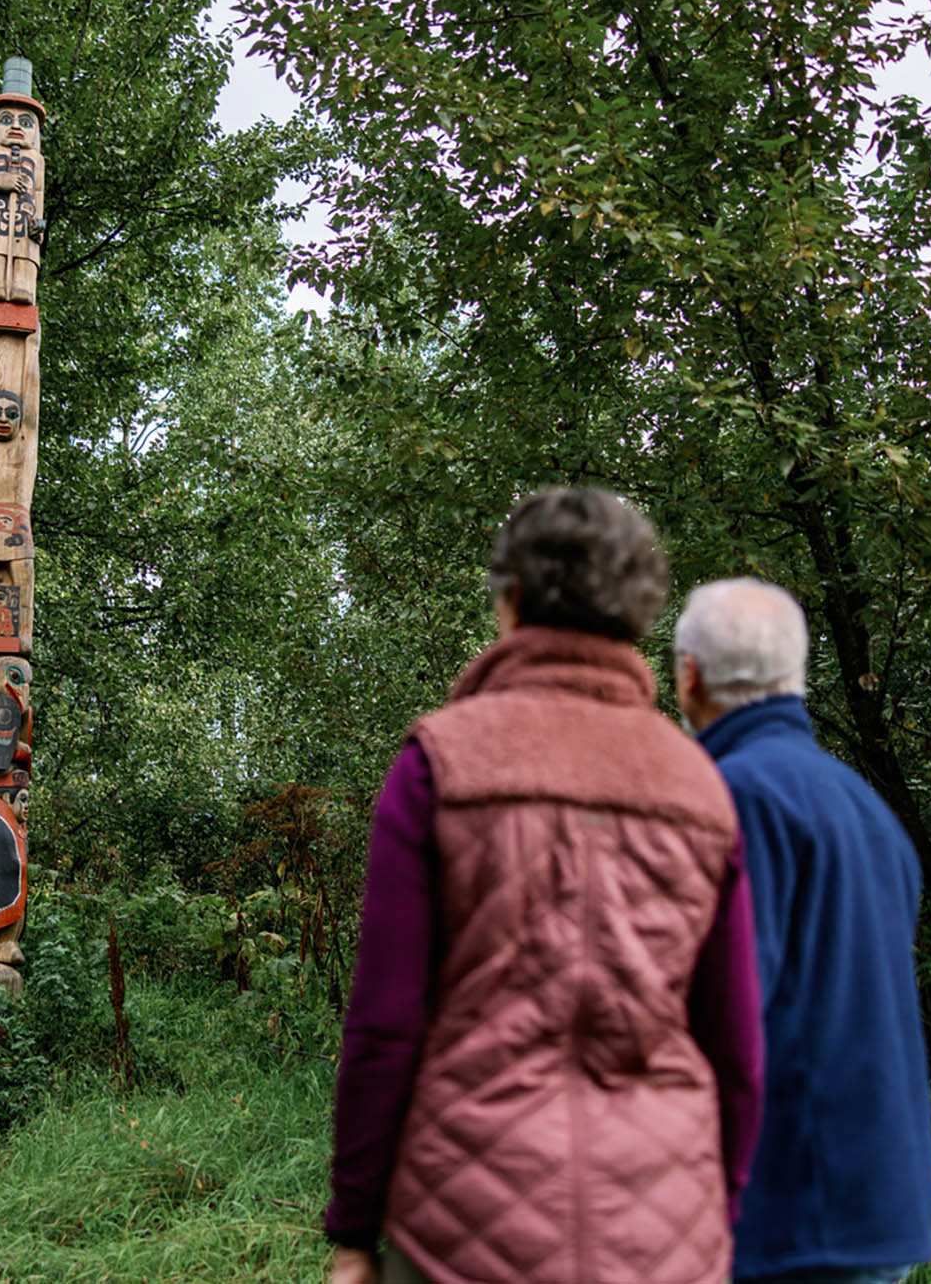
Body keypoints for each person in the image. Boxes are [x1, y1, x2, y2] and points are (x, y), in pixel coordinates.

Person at [325, 488, 765, 1284]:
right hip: (663, 1231)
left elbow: (388, 1025)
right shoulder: (699, 786)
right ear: (639, 612)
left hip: (460, 1228)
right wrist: (715, 1211)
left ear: (512, 600)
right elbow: (734, 1045)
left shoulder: (440, 762)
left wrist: (355, 1225)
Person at [672, 578, 931, 1284]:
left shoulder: (733, 801)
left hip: (786, 1210)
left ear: (688, 676)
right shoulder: (864, 805)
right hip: (880, 1203)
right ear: (796, 679)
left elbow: (724, 1009)